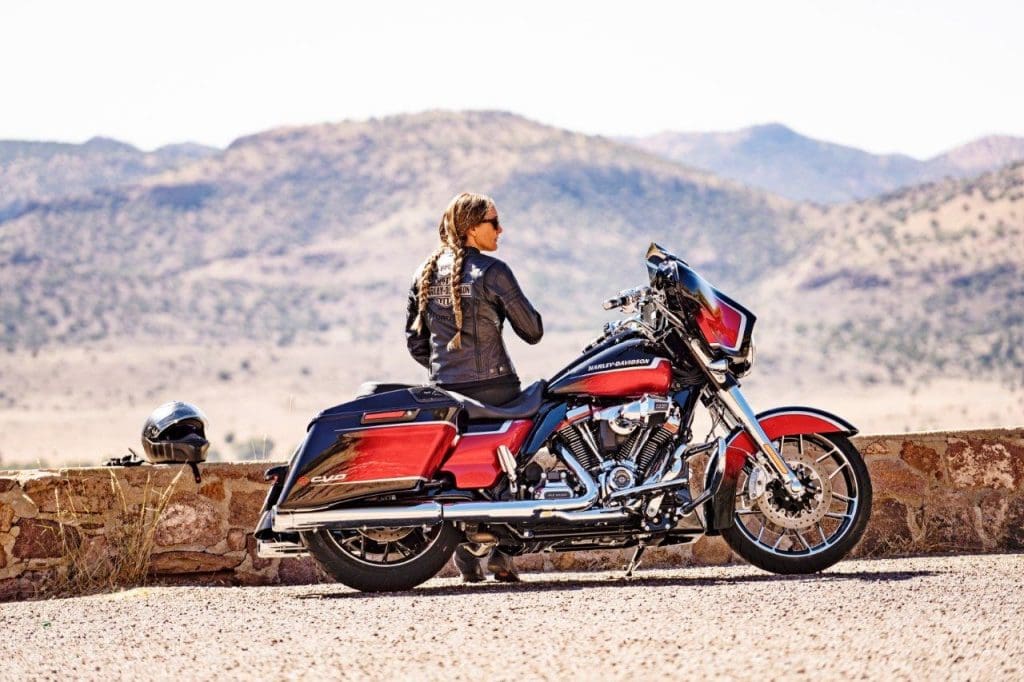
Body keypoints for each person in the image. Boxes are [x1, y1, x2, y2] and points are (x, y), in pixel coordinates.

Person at [406, 192, 543, 583]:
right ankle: (502, 550)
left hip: (448, 393)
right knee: (522, 462)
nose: (501, 229)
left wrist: (447, 372)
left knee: (464, 469)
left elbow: (416, 343)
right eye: (494, 222)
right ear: (471, 229)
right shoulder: (493, 271)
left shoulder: (424, 273)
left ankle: (468, 550)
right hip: (498, 389)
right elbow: (532, 331)